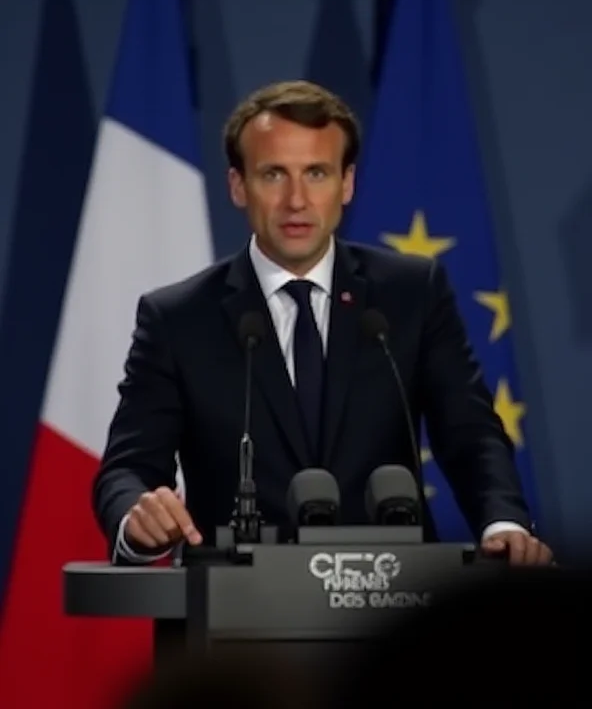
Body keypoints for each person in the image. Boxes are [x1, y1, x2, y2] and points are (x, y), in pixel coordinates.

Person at [92, 80, 552, 566]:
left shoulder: (410, 294)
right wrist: (136, 522)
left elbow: (470, 431)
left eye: (316, 173)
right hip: (232, 613)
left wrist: (503, 522)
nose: (296, 200)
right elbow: (128, 469)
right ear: (237, 185)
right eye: (273, 174)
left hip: (393, 601)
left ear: (346, 183)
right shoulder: (178, 318)